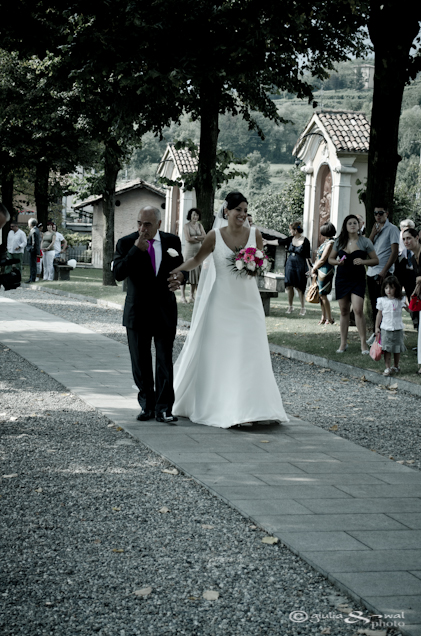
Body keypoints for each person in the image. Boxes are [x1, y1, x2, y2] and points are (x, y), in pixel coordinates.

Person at [169, 191, 288, 429]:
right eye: (238, 210)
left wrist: (256, 266)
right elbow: (197, 260)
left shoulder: (255, 234)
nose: (243, 214)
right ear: (227, 211)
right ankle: (231, 409)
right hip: (222, 303)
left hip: (249, 302)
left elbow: (262, 264)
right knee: (225, 354)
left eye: (245, 210)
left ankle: (255, 408)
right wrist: (176, 270)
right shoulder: (214, 235)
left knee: (250, 352)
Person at [113, 206, 186, 424]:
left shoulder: (172, 241)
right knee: (141, 362)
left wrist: (181, 277)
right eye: (139, 223)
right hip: (138, 312)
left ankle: (164, 408)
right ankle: (147, 405)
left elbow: (182, 266)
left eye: (147, 224)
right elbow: (118, 273)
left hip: (165, 310)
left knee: (164, 360)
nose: (142, 228)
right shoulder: (126, 243)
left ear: (159, 224)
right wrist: (136, 250)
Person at [328, 215, 379, 354]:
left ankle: (363, 344)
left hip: (358, 279)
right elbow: (330, 259)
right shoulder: (339, 241)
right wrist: (337, 262)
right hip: (342, 279)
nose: (352, 225)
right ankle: (343, 343)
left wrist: (363, 262)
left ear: (359, 225)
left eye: (355, 223)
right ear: (345, 226)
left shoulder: (365, 241)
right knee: (344, 310)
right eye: (349, 223)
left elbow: (376, 260)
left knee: (358, 309)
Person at [263, 221, 312, 316]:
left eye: (291, 230)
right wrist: (267, 242)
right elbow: (279, 242)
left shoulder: (305, 241)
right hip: (290, 265)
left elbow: (308, 257)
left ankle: (303, 308)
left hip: (300, 265)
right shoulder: (290, 239)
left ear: (295, 230)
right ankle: (290, 306)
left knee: (300, 287)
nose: (290, 231)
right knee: (289, 286)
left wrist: (310, 269)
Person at [366, 206, 400, 324]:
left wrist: (384, 271)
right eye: (375, 213)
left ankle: (383, 331)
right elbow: (367, 248)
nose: (378, 215)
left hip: (383, 272)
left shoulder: (392, 229)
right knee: (374, 305)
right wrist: (372, 234)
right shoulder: (375, 229)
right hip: (371, 271)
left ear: (387, 213)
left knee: (383, 306)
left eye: (380, 213)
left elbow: (394, 252)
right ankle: (376, 331)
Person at [375, 275, 408, 376]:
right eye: (386, 288)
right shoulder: (382, 300)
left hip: (398, 328)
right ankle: (387, 367)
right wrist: (376, 327)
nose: (388, 290)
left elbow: (409, 309)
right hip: (386, 328)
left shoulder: (400, 300)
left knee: (397, 349)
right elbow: (379, 314)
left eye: (391, 287)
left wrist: (409, 303)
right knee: (387, 349)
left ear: (396, 288)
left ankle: (396, 366)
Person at [311, 222, 336, 325]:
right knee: (321, 295)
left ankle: (329, 318)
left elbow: (323, 259)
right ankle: (323, 317)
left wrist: (314, 268)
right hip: (320, 269)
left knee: (323, 294)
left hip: (325, 270)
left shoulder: (331, 243)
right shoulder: (326, 242)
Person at [180, 208, 206, 303]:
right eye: (194, 214)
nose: (195, 217)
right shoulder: (186, 226)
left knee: (196, 272)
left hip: (198, 251)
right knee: (185, 271)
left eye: (197, 215)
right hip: (189, 251)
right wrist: (199, 238)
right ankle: (182, 296)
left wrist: (194, 237)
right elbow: (188, 239)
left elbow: (205, 236)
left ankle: (191, 295)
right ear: (190, 215)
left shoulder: (200, 225)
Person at [25, 218, 41, 283]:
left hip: (33, 251)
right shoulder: (36, 230)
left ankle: (32, 278)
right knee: (33, 265)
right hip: (34, 250)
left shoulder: (34, 231)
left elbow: (34, 242)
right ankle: (32, 277)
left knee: (33, 265)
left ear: (30, 224)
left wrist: (31, 249)